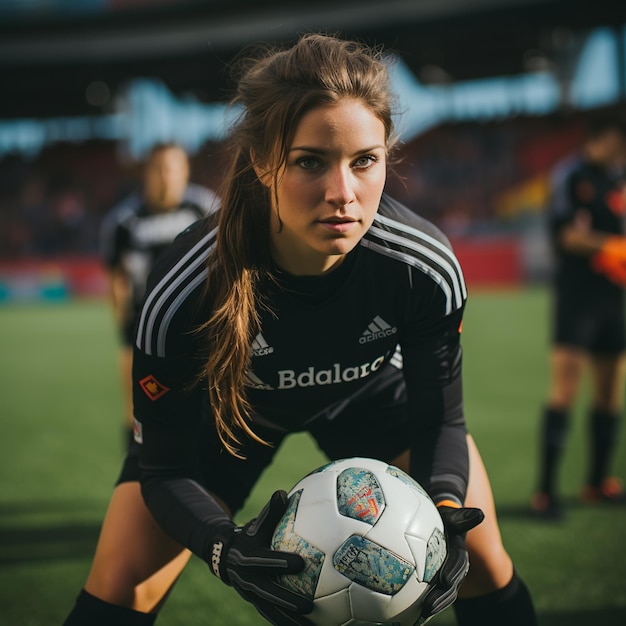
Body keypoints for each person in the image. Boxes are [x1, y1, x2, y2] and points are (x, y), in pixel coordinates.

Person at [64, 34, 537, 625]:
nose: (344, 194)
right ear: (264, 161)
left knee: (484, 563)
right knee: (122, 585)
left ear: (388, 156)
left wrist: (443, 506)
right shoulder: (185, 288)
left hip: (366, 397)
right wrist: (223, 545)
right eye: (311, 161)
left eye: (365, 161)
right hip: (230, 414)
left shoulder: (422, 267)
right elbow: (165, 471)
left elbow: (440, 419)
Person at [532, 116, 626, 519]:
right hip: (577, 301)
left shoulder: (619, 179)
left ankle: (596, 483)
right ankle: (546, 491)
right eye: (617, 143)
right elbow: (566, 235)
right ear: (599, 139)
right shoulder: (570, 175)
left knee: (608, 392)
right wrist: (612, 247)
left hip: (615, 300)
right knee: (564, 392)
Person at [100, 142, 219, 443]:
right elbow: (116, 278)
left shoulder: (206, 208)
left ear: (185, 170)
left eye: (174, 167)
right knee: (142, 412)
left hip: (199, 324)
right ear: (147, 173)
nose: (167, 175)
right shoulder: (124, 221)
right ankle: (137, 462)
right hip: (146, 327)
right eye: (159, 168)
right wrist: (126, 332)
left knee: (206, 411)